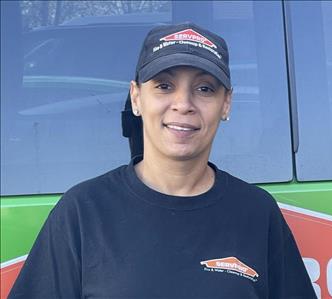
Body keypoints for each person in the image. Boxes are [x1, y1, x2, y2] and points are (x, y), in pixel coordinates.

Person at [9, 22, 316, 299]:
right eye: (164, 86)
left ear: (226, 103)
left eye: (204, 88)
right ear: (137, 97)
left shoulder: (257, 212)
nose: (183, 104)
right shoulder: (83, 210)